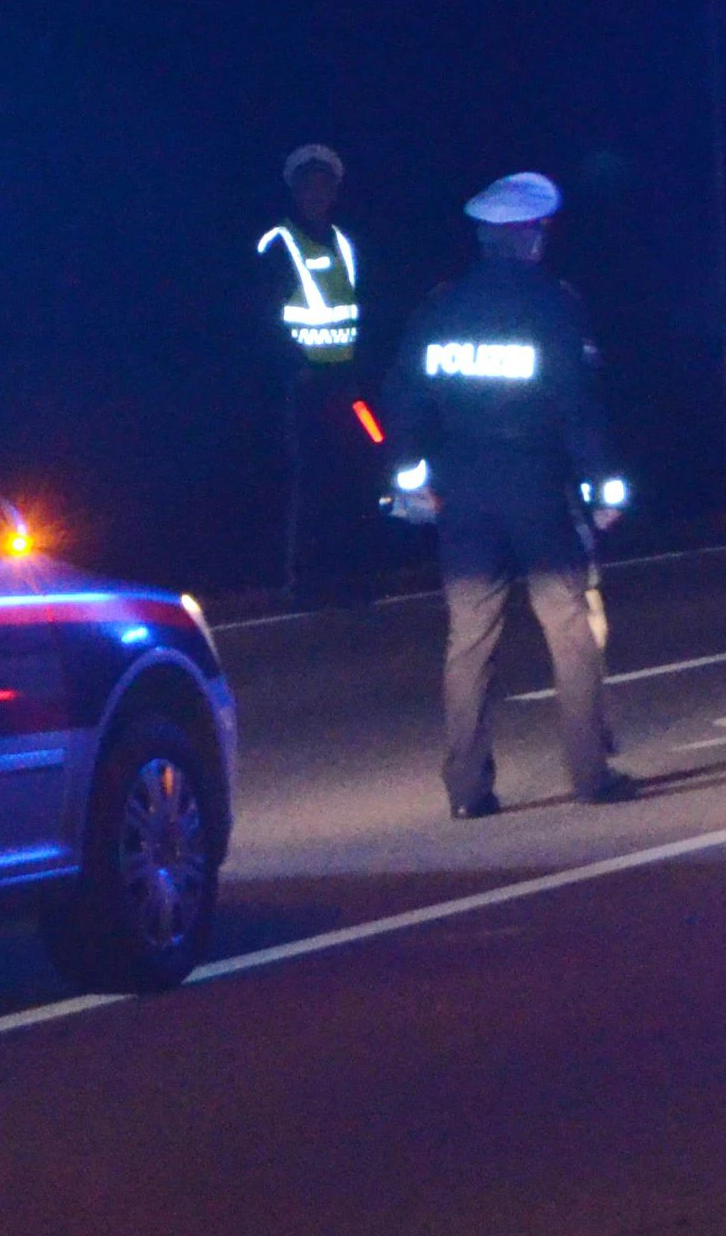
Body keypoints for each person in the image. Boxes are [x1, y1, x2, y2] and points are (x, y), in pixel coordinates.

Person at [382, 172, 637, 819]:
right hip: (536, 487)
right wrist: (601, 486)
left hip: (462, 491)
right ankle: (589, 773)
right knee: (568, 625)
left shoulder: (439, 306)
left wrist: (410, 480)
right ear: (528, 236)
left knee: (468, 638)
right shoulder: (553, 305)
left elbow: (404, 399)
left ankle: (466, 790)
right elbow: (578, 404)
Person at [257, 145, 376, 603]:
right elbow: (262, 316)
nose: (317, 193)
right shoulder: (278, 242)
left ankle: (351, 576)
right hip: (302, 389)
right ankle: (304, 582)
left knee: (356, 477)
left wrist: (361, 372)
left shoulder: (346, 242)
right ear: (295, 190)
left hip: (348, 385)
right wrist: (294, 370)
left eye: (325, 185)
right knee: (310, 485)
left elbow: (362, 310)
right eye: (309, 184)